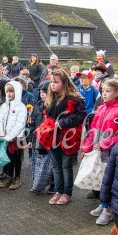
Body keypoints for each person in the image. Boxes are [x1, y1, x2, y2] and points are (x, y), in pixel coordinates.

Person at [39, 69, 86, 205]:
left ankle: (67, 192)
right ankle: (58, 191)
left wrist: (64, 122)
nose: (52, 85)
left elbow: (81, 116)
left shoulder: (74, 99)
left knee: (66, 166)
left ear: (64, 82)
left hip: (68, 137)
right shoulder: (50, 99)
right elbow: (46, 116)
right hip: (51, 136)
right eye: (51, 82)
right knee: (56, 166)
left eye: (56, 82)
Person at [81, 79, 118, 224]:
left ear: (117, 93)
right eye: (103, 91)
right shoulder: (101, 108)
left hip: (111, 152)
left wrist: (105, 143)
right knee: (102, 180)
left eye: (108, 91)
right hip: (98, 150)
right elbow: (93, 129)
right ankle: (104, 203)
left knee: (110, 180)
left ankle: (109, 209)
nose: (104, 94)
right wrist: (86, 147)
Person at [0, 81, 27, 190]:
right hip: (5, 138)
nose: (9, 94)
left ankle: (17, 178)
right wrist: (1, 134)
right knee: (7, 158)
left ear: (17, 92)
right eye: (7, 91)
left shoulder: (21, 107)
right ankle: (8, 176)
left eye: (12, 91)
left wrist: (10, 136)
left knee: (16, 158)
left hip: (16, 138)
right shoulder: (5, 105)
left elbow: (20, 123)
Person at [27, 83, 53, 193]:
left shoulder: (53, 106)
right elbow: (32, 123)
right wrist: (30, 139)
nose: (42, 95)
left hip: (49, 139)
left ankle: (52, 183)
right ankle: (39, 183)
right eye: (41, 93)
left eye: (45, 93)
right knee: (39, 161)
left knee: (50, 163)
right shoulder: (37, 105)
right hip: (37, 138)